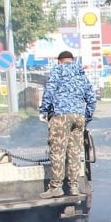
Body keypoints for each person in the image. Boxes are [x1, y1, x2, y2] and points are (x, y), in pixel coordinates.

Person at [37, 50, 97, 198]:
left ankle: (56, 187)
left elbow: (49, 92)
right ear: (72, 60)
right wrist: (87, 117)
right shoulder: (81, 74)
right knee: (75, 153)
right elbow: (91, 99)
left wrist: (44, 110)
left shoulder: (57, 71)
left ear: (59, 61)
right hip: (79, 117)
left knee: (58, 152)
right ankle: (74, 186)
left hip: (61, 116)